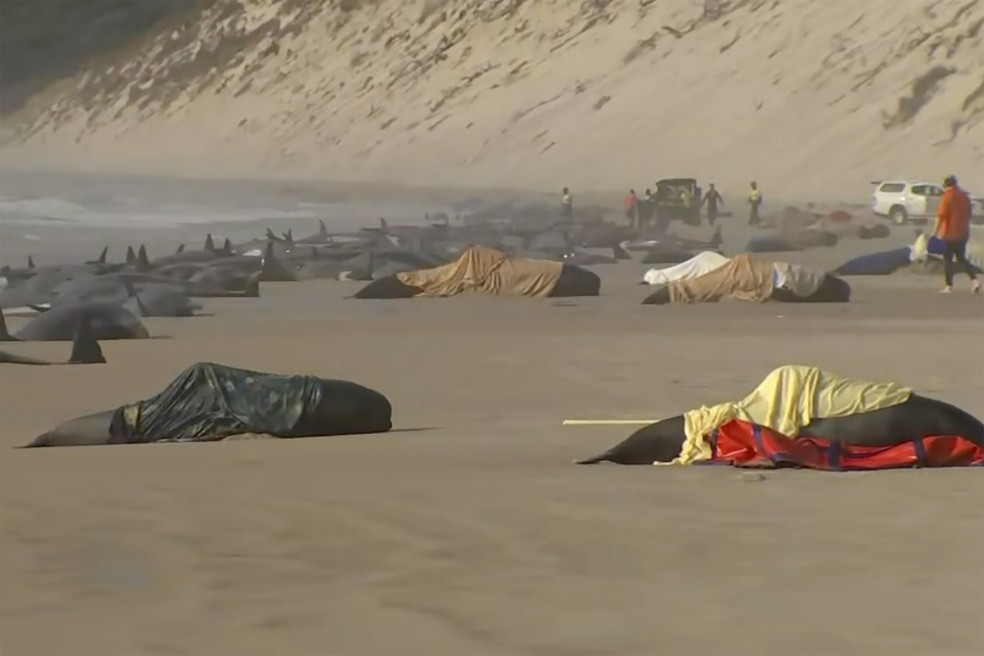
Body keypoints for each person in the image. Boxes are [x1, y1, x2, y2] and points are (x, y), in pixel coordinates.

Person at [934, 175, 980, 294]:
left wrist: (934, 233)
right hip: (963, 233)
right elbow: (969, 214)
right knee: (962, 258)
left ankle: (949, 286)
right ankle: (975, 281)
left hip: (948, 234)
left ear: (946, 185)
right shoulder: (965, 196)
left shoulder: (947, 197)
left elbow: (940, 216)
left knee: (948, 260)